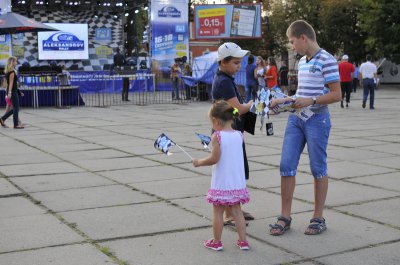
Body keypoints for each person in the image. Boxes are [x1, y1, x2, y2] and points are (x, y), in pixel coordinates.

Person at [268, 20, 341, 236]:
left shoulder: (326, 60)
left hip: (317, 120)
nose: (292, 46)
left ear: (303, 38)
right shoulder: (301, 62)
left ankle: (318, 217)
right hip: (296, 119)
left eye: (292, 41)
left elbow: (337, 94)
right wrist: (282, 102)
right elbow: (302, 94)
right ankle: (285, 216)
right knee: (286, 164)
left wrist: (312, 100)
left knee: (318, 167)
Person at [192, 100, 250, 251]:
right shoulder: (239, 135)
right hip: (236, 181)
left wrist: (199, 162)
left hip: (222, 181)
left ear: (216, 121)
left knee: (218, 211)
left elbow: (214, 159)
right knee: (237, 210)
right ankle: (243, 241)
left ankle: (216, 241)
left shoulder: (217, 137)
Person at [212, 42, 254, 226]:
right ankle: (230, 213)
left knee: (235, 170)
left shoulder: (225, 79)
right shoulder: (224, 81)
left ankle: (234, 209)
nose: (239, 67)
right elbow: (237, 109)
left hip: (230, 132)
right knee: (231, 172)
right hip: (227, 134)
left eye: (240, 63)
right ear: (223, 62)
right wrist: (254, 104)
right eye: (236, 63)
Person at [1, 56, 25, 129]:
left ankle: (3, 119)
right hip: (12, 92)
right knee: (16, 108)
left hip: (13, 91)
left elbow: (11, 84)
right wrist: (10, 93)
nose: (16, 63)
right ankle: (15, 124)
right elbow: (11, 84)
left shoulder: (8, 71)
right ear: (12, 62)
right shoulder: (12, 72)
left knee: (15, 108)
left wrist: (18, 92)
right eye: (15, 61)